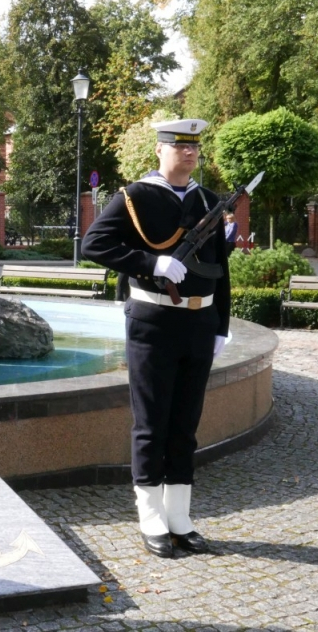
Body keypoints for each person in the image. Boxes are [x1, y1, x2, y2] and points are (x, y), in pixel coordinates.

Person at [80, 118, 231, 559]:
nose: (189, 153)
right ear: (161, 150)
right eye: (179, 146)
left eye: (194, 147)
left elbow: (220, 267)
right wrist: (151, 263)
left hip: (199, 324)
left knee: (185, 424)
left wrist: (221, 324)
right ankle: (150, 515)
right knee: (152, 424)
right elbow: (94, 244)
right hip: (154, 323)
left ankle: (180, 517)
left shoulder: (206, 199)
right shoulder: (134, 196)